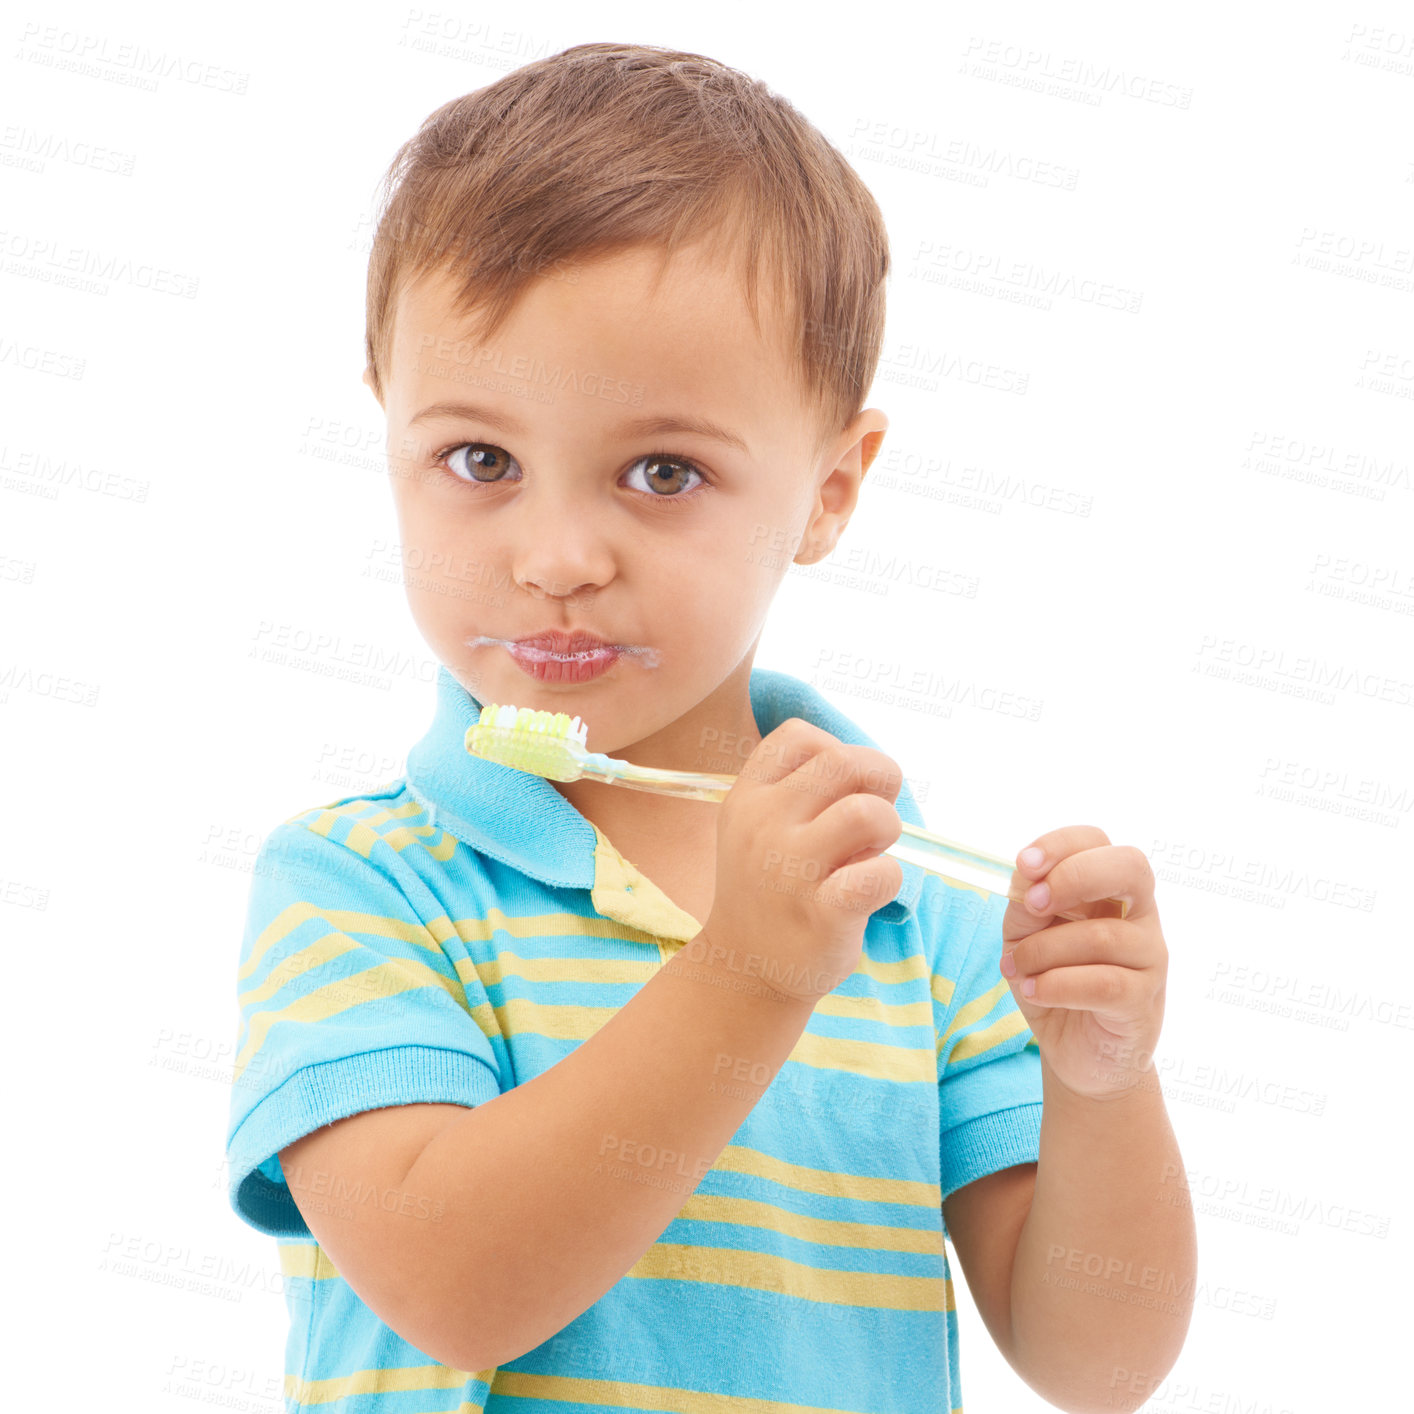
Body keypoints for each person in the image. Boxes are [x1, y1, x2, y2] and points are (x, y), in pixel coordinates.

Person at [225, 41, 1194, 1413]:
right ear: (391, 438)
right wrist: (747, 968)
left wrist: (1103, 1082)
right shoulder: (360, 886)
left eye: (661, 471)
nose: (557, 552)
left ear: (829, 491)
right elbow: (455, 1284)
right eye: (479, 460)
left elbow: (1098, 1366)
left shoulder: (920, 918)